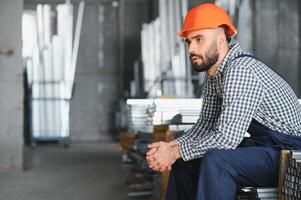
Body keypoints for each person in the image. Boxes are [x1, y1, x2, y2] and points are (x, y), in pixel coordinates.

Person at [146, 3, 301, 200]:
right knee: (187, 160)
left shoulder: (241, 70)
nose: (191, 48)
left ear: (221, 40)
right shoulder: (214, 75)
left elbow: (226, 139)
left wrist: (176, 151)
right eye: (188, 41)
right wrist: (171, 148)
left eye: (199, 39)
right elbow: (205, 126)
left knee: (217, 160)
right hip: (265, 147)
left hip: (289, 155)